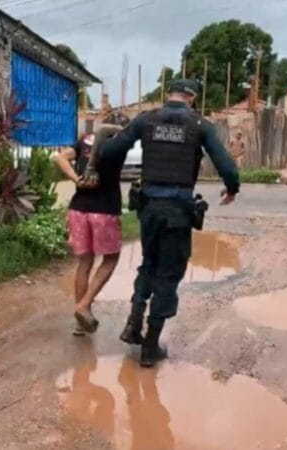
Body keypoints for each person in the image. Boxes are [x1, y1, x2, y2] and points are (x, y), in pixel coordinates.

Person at [81, 79, 240, 367]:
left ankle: (133, 322)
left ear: (169, 95)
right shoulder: (199, 125)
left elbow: (111, 151)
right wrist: (232, 187)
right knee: (168, 272)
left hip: (149, 208)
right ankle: (150, 347)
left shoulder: (146, 120)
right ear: (191, 97)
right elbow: (226, 164)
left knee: (148, 264)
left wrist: (99, 161)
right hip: (177, 212)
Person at [52, 124, 124, 335]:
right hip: (105, 211)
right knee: (111, 258)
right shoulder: (118, 145)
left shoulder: (84, 142)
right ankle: (83, 305)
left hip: (78, 210)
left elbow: (58, 158)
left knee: (85, 262)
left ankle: (80, 323)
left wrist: (77, 180)